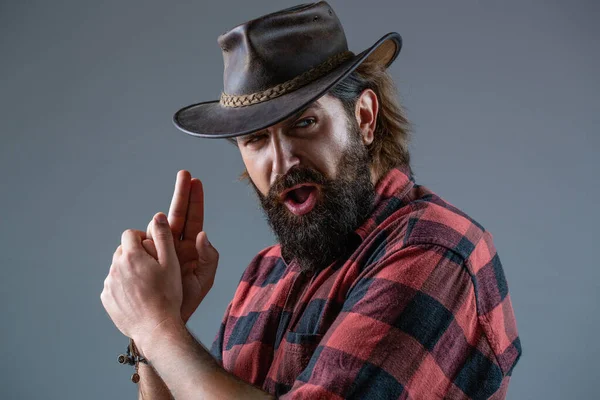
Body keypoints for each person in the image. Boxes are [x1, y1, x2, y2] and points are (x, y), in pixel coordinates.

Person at [100, 2, 521, 399]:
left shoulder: (435, 252)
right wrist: (157, 332)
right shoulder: (264, 274)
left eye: (305, 122)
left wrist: (156, 327)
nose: (282, 162)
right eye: (256, 139)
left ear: (364, 118)